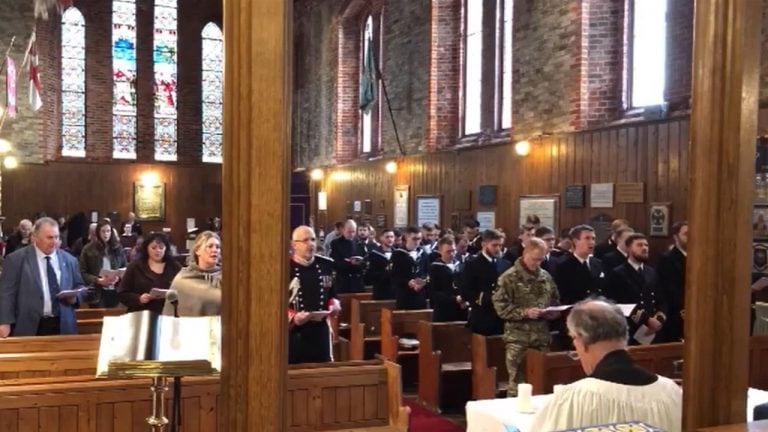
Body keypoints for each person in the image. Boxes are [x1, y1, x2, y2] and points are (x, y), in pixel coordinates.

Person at [529, 299, 682, 432]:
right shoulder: (672, 392)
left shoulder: (573, 400)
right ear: (624, 335)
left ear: (581, 340)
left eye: (573, 339)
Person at [493, 237, 561, 397]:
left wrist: (553, 312)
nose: (537, 263)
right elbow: (501, 308)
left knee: (541, 384)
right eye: (534, 259)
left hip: (541, 337)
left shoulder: (545, 277)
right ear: (525, 253)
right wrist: (524, 312)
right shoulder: (509, 278)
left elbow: (555, 299)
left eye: (541, 259)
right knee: (517, 387)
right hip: (518, 339)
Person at [0, 217, 87, 337]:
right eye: (49, 237)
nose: (54, 241)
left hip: (63, 325)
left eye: (57, 237)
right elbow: (6, 293)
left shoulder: (70, 260)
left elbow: (80, 286)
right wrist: (4, 322)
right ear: (35, 237)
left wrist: (75, 297)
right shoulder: (16, 260)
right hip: (29, 326)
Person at [287, 225, 340, 364]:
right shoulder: (285, 268)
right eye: (305, 240)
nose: (310, 244)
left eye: (313, 239)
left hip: (320, 330)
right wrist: (293, 317)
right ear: (294, 245)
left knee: (323, 372)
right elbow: (273, 303)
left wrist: (334, 304)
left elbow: (332, 295)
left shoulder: (325, 265)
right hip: (294, 332)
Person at [608, 233, 667, 344]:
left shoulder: (651, 272)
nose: (644, 248)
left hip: (653, 330)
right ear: (629, 248)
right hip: (631, 328)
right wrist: (646, 320)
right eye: (639, 245)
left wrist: (659, 320)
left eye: (646, 245)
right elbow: (618, 303)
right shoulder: (618, 273)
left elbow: (661, 299)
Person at [118, 232, 182, 314]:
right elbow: (122, 293)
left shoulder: (175, 266)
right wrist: (139, 298)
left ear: (166, 249)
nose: (158, 250)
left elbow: (184, 291)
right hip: (141, 313)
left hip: (168, 313)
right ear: (146, 248)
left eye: (161, 248)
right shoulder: (135, 266)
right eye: (153, 248)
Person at [163, 231, 222, 316]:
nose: (215, 250)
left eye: (218, 247)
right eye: (210, 246)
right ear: (197, 250)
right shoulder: (184, 278)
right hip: (191, 326)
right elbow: (170, 311)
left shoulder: (228, 276)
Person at [460, 229, 505, 335]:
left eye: (500, 245)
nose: (498, 249)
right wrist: (484, 298)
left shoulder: (504, 263)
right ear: (484, 244)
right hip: (482, 316)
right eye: (494, 245)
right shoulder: (472, 264)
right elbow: (465, 291)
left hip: (500, 317)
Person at [553, 225, 607, 305]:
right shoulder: (563, 266)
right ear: (575, 241)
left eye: (593, 238)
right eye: (587, 238)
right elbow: (563, 296)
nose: (591, 242)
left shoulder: (598, 263)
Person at [79, 220, 128, 308]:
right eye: (103, 231)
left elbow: (125, 267)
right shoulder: (88, 249)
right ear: (98, 232)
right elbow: (82, 272)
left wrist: (118, 276)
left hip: (115, 291)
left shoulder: (117, 248)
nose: (106, 234)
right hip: (96, 293)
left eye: (108, 231)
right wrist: (98, 280)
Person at [657, 221, 687, 342]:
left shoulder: (699, 257)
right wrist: (683, 307)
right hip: (676, 312)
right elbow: (668, 288)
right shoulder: (667, 259)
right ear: (676, 237)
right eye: (686, 234)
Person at [428, 235, 468, 322]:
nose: (452, 254)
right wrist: (455, 299)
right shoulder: (435, 268)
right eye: (448, 252)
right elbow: (435, 293)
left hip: (461, 311)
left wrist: (466, 299)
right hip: (444, 312)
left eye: (453, 251)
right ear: (440, 251)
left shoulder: (460, 266)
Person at [391, 226, 429, 310]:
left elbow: (427, 273)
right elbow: (394, 276)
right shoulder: (398, 254)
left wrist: (424, 281)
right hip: (404, 296)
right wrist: (407, 282)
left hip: (420, 296)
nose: (417, 242)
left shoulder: (423, 254)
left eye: (419, 239)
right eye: (414, 239)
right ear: (406, 237)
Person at [330, 220, 366, 293]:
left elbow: (365, 262)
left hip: (357, 282)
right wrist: (349, 263)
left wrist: (361, 262)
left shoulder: (360, 243)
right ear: (343, 230)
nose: (351, 234)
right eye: (349, 231)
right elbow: (334, 263)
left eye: (353, 232)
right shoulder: (336, 243)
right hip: (343, 282)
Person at [365, 228, 395, 300]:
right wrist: (386, 271)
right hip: (381, 291)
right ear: (381, 238)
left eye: (392, 237)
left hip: (394, 291)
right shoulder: (375, 254)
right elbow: (371, 275)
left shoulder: (397, 253)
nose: (390, 239)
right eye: (387, 237)